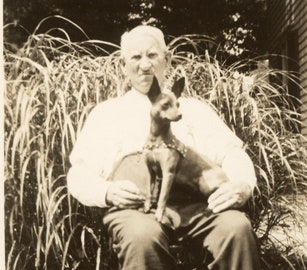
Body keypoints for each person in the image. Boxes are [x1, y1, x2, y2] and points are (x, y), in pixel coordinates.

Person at [67, 25, 260, 270]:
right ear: (122, 65)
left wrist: (242, 185)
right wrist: (106, 191)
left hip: (197, 206)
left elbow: (233, 153)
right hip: (136, 208)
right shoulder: (107, 114)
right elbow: (78, 173)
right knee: (141, 238)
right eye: (136, 57)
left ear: (167, 59)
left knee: (236, 229)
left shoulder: (193, 110)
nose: (145, 65)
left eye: (152, 55)